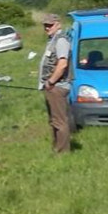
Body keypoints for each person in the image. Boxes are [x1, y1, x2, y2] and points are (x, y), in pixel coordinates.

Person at [39, 14, 72, 153]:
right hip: (52, 86)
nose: (47, 28)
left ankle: (62, 152)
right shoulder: (53, 40)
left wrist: (51, 81)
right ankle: (57, 148)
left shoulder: (61, 40)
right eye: (45, 25)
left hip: (57, 86)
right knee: (55, 120)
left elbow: (62, 64)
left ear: (58, 24)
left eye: (50, 25)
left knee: (60, 121)